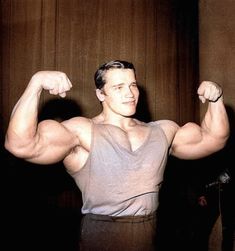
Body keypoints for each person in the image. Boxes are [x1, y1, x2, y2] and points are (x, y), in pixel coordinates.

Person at [4, 60, 229, 250]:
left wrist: (216, 99)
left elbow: (213, 139)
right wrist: (36, 83)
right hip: (101, 235)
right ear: (100, 94)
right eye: (119, 87)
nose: (130, 94)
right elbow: (21, 145)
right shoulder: (82, 131)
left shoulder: (161, 130)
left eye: (133, 85)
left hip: (148, 234)